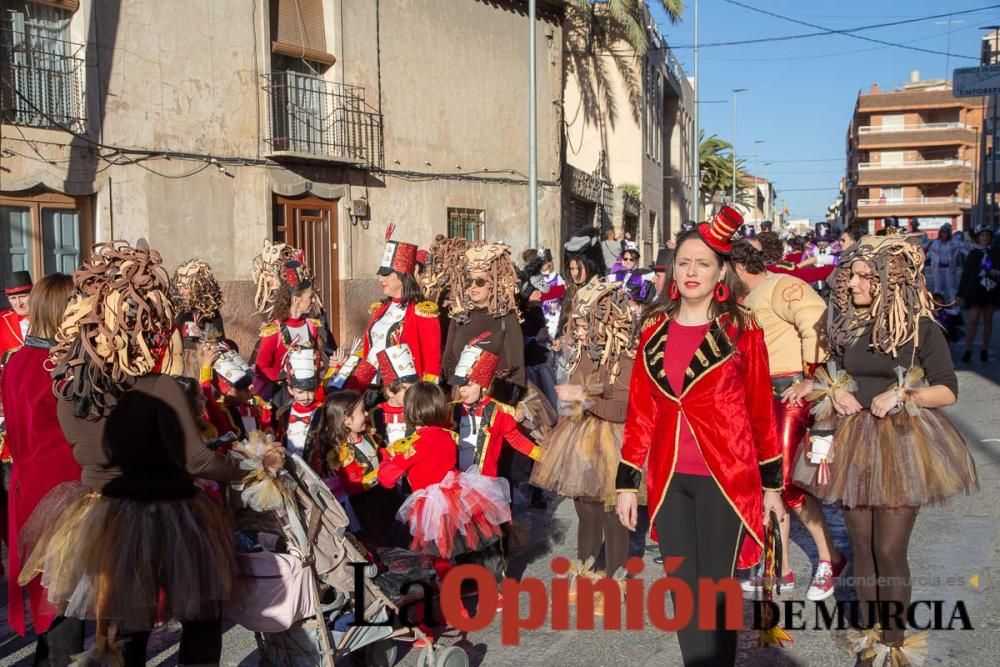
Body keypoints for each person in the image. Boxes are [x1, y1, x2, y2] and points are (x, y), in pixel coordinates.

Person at [18, 241, 245, 666]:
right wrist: (247, 470)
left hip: (103, 514)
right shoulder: (160, 388)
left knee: (124, 624)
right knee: (202, 615)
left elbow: (79, 445)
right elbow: (196, 460)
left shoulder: (71, 388)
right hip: (171, 512)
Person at [793, 234, 977, 665]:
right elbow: (831, 372)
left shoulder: (921, 328)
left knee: (890, 550)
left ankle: (893, 645)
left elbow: (947, 390)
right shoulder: (846, 325)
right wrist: (832, 389)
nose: (852, 284)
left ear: (888, 281)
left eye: (862, 277)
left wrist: (902, 395)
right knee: (862, 547)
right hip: (854, 439)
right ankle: (870, 638)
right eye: (851, 276)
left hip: (903, 443)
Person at [615, 206, 784, 666]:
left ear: (721, 271)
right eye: (685, 262)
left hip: (726, 479)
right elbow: (641, 412)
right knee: (683, 593)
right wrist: (627, 483)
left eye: (703, 263)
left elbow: (761, 412)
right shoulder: (653, 329)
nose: (692, 272)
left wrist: (772, 487)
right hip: (669, 479)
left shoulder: (741, 329)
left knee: (718, 592)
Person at [730, 241, 846, 601]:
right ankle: (778, 567)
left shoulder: (782, 285)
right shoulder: (740, 301)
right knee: (765, 485)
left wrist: (812, 378)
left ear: (735, 267)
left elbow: (816, 325)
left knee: (784, 483)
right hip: (758, 398)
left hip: (789, 395)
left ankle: (830, 558)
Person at [530, 280, 635, 602]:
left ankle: (617, 577)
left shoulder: (623, 356)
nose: (576, 332)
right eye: (574, 325)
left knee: (610, 512)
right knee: (585, 511)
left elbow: (622, 409)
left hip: (613, 440)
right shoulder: (582, 354)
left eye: (582, 325)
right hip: (580, 437)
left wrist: (583, 398)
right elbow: (575, 394)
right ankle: (587, 568)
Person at [2, 272, 85, 662]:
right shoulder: (60, 365)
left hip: (28, 487)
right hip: (63, 493)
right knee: (65, 603)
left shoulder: (17, 360)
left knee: (53, 604)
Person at [378, 381, 511, 559]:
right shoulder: (448, 435)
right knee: (463, 543)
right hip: (455, 496)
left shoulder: (414, 445)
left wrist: (387, 457)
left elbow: (387, 479)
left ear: (409, 410)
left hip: (430, 505)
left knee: (439, 551)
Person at [442, 242, 526, 405]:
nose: (473, 286)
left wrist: (506, 402)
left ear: (492, 284)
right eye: (469, 281)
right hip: (460, 396)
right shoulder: (459, 316)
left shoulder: (506, 318)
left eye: (479, 282)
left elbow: (516, 368)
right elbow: (449, 360)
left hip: (495, 398)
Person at [363, 225, 442, 384]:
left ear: (402, 277)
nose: (381, 280)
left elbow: (431, 357)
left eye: (386, 275)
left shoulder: (422, 311)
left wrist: (426, 394)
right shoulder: (381, 309)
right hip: (373, 384)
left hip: (403, 390)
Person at [254, 260, 323, 404]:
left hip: (308, 394)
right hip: (282, 394)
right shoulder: (274, 331)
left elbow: (315, 357)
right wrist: (285, 375)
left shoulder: (312, 326)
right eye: (310, 297)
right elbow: (262, 366)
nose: (312, 301)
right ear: (296, 299)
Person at [274, 348, 324, 472]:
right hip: (289, 469)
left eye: (311, 391)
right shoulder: (283, 413)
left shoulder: (322, 411)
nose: (306, 397)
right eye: (300, 392)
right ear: (291, 390)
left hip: (315, 470)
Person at [958, 227, 1000, 363]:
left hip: (990, 289)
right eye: (982, 235)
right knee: (973, 320)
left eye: (987, 235)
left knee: (988, 320)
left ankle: (984, 349)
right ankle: (968, 350)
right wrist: (960, 294)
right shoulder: (973, 254)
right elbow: (966, 274)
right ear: (978, 238)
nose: (985, 238)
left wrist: (996, 272)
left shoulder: (995, 252)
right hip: (976, 290)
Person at [171, 258, 226, 346]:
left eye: (185, 288)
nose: (181, 292)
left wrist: (202, 335)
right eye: (179, 287)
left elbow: (218, 342)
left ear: (198, 288)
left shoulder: (210, 314)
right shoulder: (181, 313)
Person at [371, 344, 418, 446]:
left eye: (414, 388)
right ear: (390, 392)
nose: (412, 394)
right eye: (405, 388)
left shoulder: (418, 411)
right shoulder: (375, 414)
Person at [925, 224, 962, 304]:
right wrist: (922, 258)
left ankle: (953, 304)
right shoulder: (935, 243)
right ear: (940, 233)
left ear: (949, 233)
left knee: (951, 287)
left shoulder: (953, 243)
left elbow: (963, 249)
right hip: (938, 269)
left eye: (946, 232)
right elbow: (929, 254)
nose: (944, 234)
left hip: (949, 268)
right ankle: (937, 305)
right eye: (943, 232)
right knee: (938, 288)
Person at [608, 241, 654, 305]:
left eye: (631, 259)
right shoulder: (616, 274)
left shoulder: (643, 275)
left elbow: (645, 298)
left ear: (636, 260)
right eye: (625, 259)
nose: (628, 261)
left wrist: (635, 303)